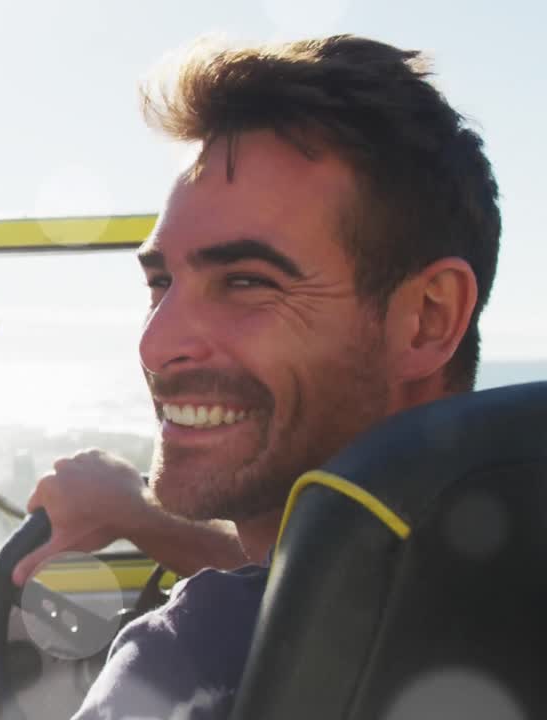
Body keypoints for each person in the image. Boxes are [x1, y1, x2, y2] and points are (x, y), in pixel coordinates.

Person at [26, 35, 500, 719]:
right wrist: (133, 510)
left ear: (427, 318)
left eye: (246, 281)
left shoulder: (188, 669)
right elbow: (324, 572)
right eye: (161, 282)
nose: (157, 343)